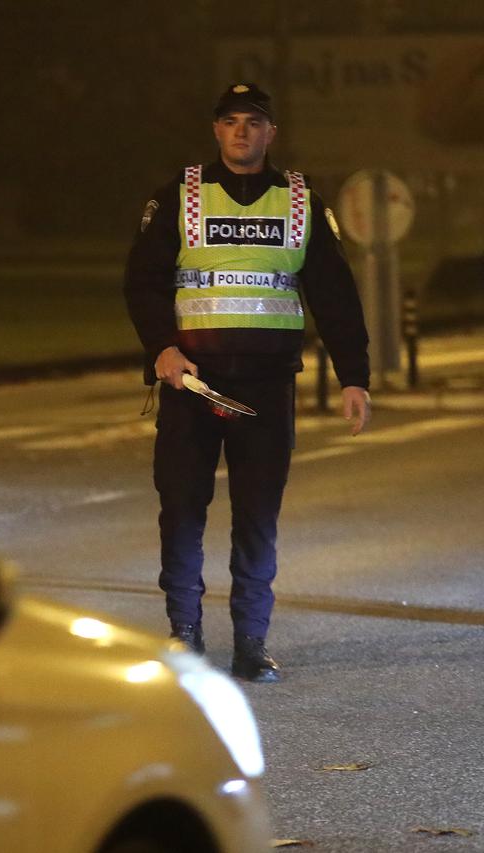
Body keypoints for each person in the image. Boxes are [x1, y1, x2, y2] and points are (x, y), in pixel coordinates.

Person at [123, 82, 371, 683]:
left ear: (270, 133)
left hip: (265, 385)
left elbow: (334, 294)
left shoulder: (299, 201)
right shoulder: (178, 197)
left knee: (257, 515)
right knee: (182, 508)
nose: (242, 132)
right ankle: (184, 635)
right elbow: (143, 281)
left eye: (253, 122)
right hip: (192, 385)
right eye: (231, 121)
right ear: (216, 130)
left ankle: (250, 645)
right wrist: (162, 347)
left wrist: (353, 377)